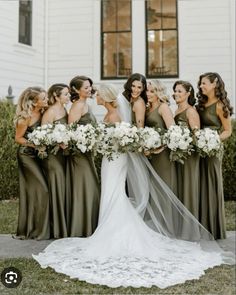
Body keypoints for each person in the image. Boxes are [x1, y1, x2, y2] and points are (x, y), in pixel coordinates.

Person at [33, 84, 234, 288]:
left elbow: (118, 141)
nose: (97, 97)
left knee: (113, 192)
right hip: (111, 159)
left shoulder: (114, 117)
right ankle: (109, 224)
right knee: (113, 192)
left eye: (99, 95)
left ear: (106, 98)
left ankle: (113, 228)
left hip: (114, 160)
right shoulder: (113, 114)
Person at [196, 72, 233, 239]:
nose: (201, 86)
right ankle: (202, 225)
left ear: (214, 84)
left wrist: (213, 140)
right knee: (201, 184)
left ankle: (214, 228)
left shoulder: (219, 105)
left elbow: (228, 131)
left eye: (204, 83)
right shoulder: (201, 103)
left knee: (211, 183)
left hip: (213, 149)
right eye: (201, 83)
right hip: (200, 149)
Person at [66, 75, 100, 237]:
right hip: (79, 154)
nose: (89, 89)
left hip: (86, 153)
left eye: (89, 87)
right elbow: (70, 131)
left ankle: (90, 225)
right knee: (85, 186)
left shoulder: (86, 104)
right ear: (76, 90)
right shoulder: (77, 106)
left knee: (91, 185)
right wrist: (84, 141)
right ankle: (81, 227)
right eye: (86, 87)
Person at [14, 86, 50, 240]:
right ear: (34, 103)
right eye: (43, 98)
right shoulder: (25, 117)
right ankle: (35, 230)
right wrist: (35, 144)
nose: (46, 100)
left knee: (38, 191)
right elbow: (18, 138)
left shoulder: (44, 113)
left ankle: (37, 227)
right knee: (42, 189)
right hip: (27, 156)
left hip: (40, 155)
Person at [41, 83, 70, 238]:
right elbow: (42, 136)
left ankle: (62, 226)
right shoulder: (50, 112)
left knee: (62, 188)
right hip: (52, 157)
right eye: (65, 94)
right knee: (57, 188)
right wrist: (57, 141)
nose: (68, 96)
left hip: (62, 155)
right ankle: (56, 229)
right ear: (56, 96)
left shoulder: (64, 109)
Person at [173, 80, 200, 219]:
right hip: (178, 155)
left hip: (189, 156)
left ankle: (190, 228)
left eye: (179, 91)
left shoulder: (191, 111)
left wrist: (184, 142)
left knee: (188, 188)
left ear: (188, 93)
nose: (176, 93)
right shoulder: (176, 110)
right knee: (180, 188)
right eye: (175, 90)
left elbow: (196, 136)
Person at [145, 80, 177, 194]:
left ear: (159, 93)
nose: (148, 94)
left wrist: (159, 147)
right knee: (153, 186)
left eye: (152, 91)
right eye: (147, 91)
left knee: (163, 185)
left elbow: (173, 132)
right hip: (150, 154)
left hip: (162, 153)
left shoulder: (163, 107)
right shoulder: (147, 109)